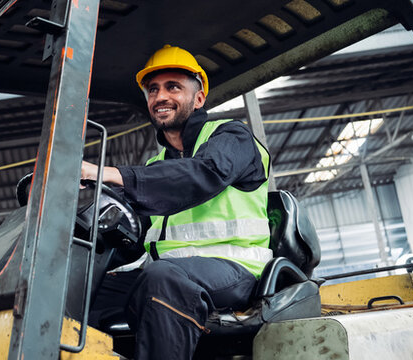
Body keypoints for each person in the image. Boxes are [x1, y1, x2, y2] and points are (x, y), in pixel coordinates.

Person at [80, 45, 271, 360]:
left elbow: (200, 175)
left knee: (162, 278)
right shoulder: (157, 168)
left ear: (198, 98)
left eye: (173, 87)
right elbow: (130, 229)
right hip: (173, 273)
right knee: (80, 291)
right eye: (153, 89)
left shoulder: (231, 138)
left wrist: (109, 173)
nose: (160, 96)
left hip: (238, 272)